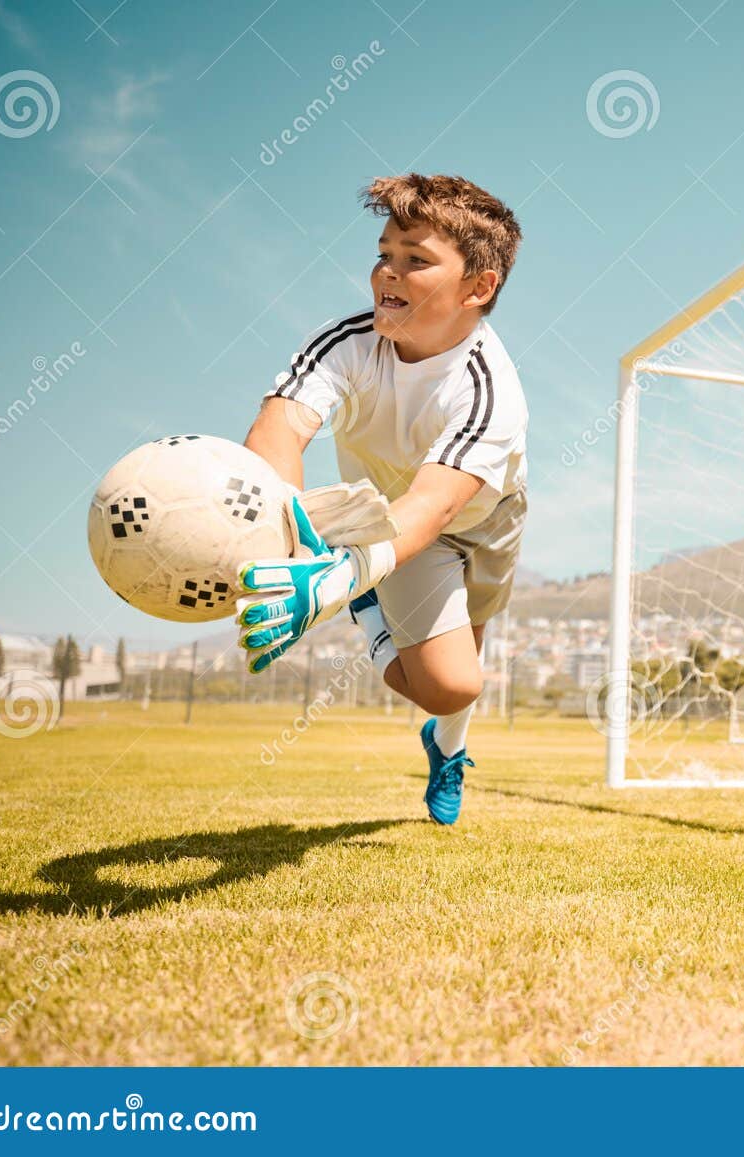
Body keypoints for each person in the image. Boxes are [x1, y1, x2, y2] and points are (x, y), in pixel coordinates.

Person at [236, 173, 527, 826]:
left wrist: (340, 576)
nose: (387, 275)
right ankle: (372, 610)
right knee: (450, 685)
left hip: (484, 516)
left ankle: (447, 750)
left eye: (416, 261)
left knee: (465, 671)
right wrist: (289, 543)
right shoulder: (348, 343)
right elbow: (280, 428)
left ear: (478, 288)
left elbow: (437, 504)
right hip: (392, 526)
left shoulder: (489, 390)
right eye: (384, 255)